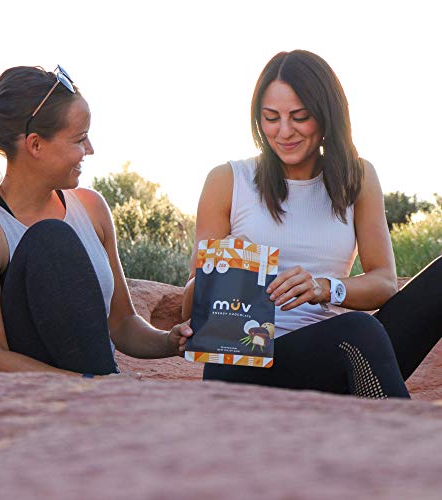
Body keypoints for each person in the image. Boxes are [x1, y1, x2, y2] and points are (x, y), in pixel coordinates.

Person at [182, 50, 441, 399]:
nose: (284, 131)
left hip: (339, 350)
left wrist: (326, 288)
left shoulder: (358, 177)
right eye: (270, 118)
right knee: (359, 331)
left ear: (325, 115)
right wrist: (223, 276)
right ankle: (401, 432)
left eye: (299, 117)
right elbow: (193, 303)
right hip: (249, 359)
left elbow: (383, 282)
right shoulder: (228, 179)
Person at [0, 65, 192, 377]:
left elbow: (122, 324)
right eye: (80, 138)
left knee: (53, 237)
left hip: (98, 383)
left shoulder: (91, 208)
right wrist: (90, 384)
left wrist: (170, 341)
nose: (90, 149)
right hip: (33, 398)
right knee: (50, 239)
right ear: (35, 144)